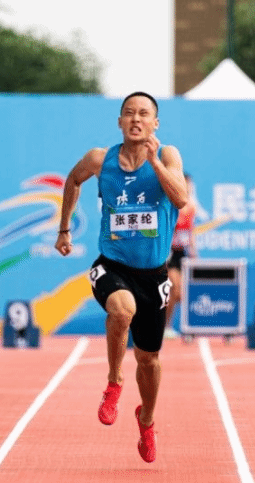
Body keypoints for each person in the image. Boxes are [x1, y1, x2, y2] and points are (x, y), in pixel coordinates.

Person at [55, 91, 187, 463]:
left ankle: (146, 419)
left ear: (155, 123)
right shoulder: (101, 159)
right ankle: (114, 381)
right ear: (119, 121)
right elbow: (73, 179)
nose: (136, 119)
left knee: (149, 360)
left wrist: (155, 164)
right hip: (111, 264)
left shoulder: (167, 155)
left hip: (153, 274)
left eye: (144, 114)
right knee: (121, 310)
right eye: (129, 113)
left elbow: (179, 199)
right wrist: (64, 229)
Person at [164, 173, 197, 338]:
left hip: (184, 253)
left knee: (181, 294)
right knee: (173, 288)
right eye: (185, 184)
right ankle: (166, 326)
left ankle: (184, 326)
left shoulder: (192, 207)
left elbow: (191, 232)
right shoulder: (172, 205)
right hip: (171, 254)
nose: (188, 187)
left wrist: (194, 252)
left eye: (190, 184)